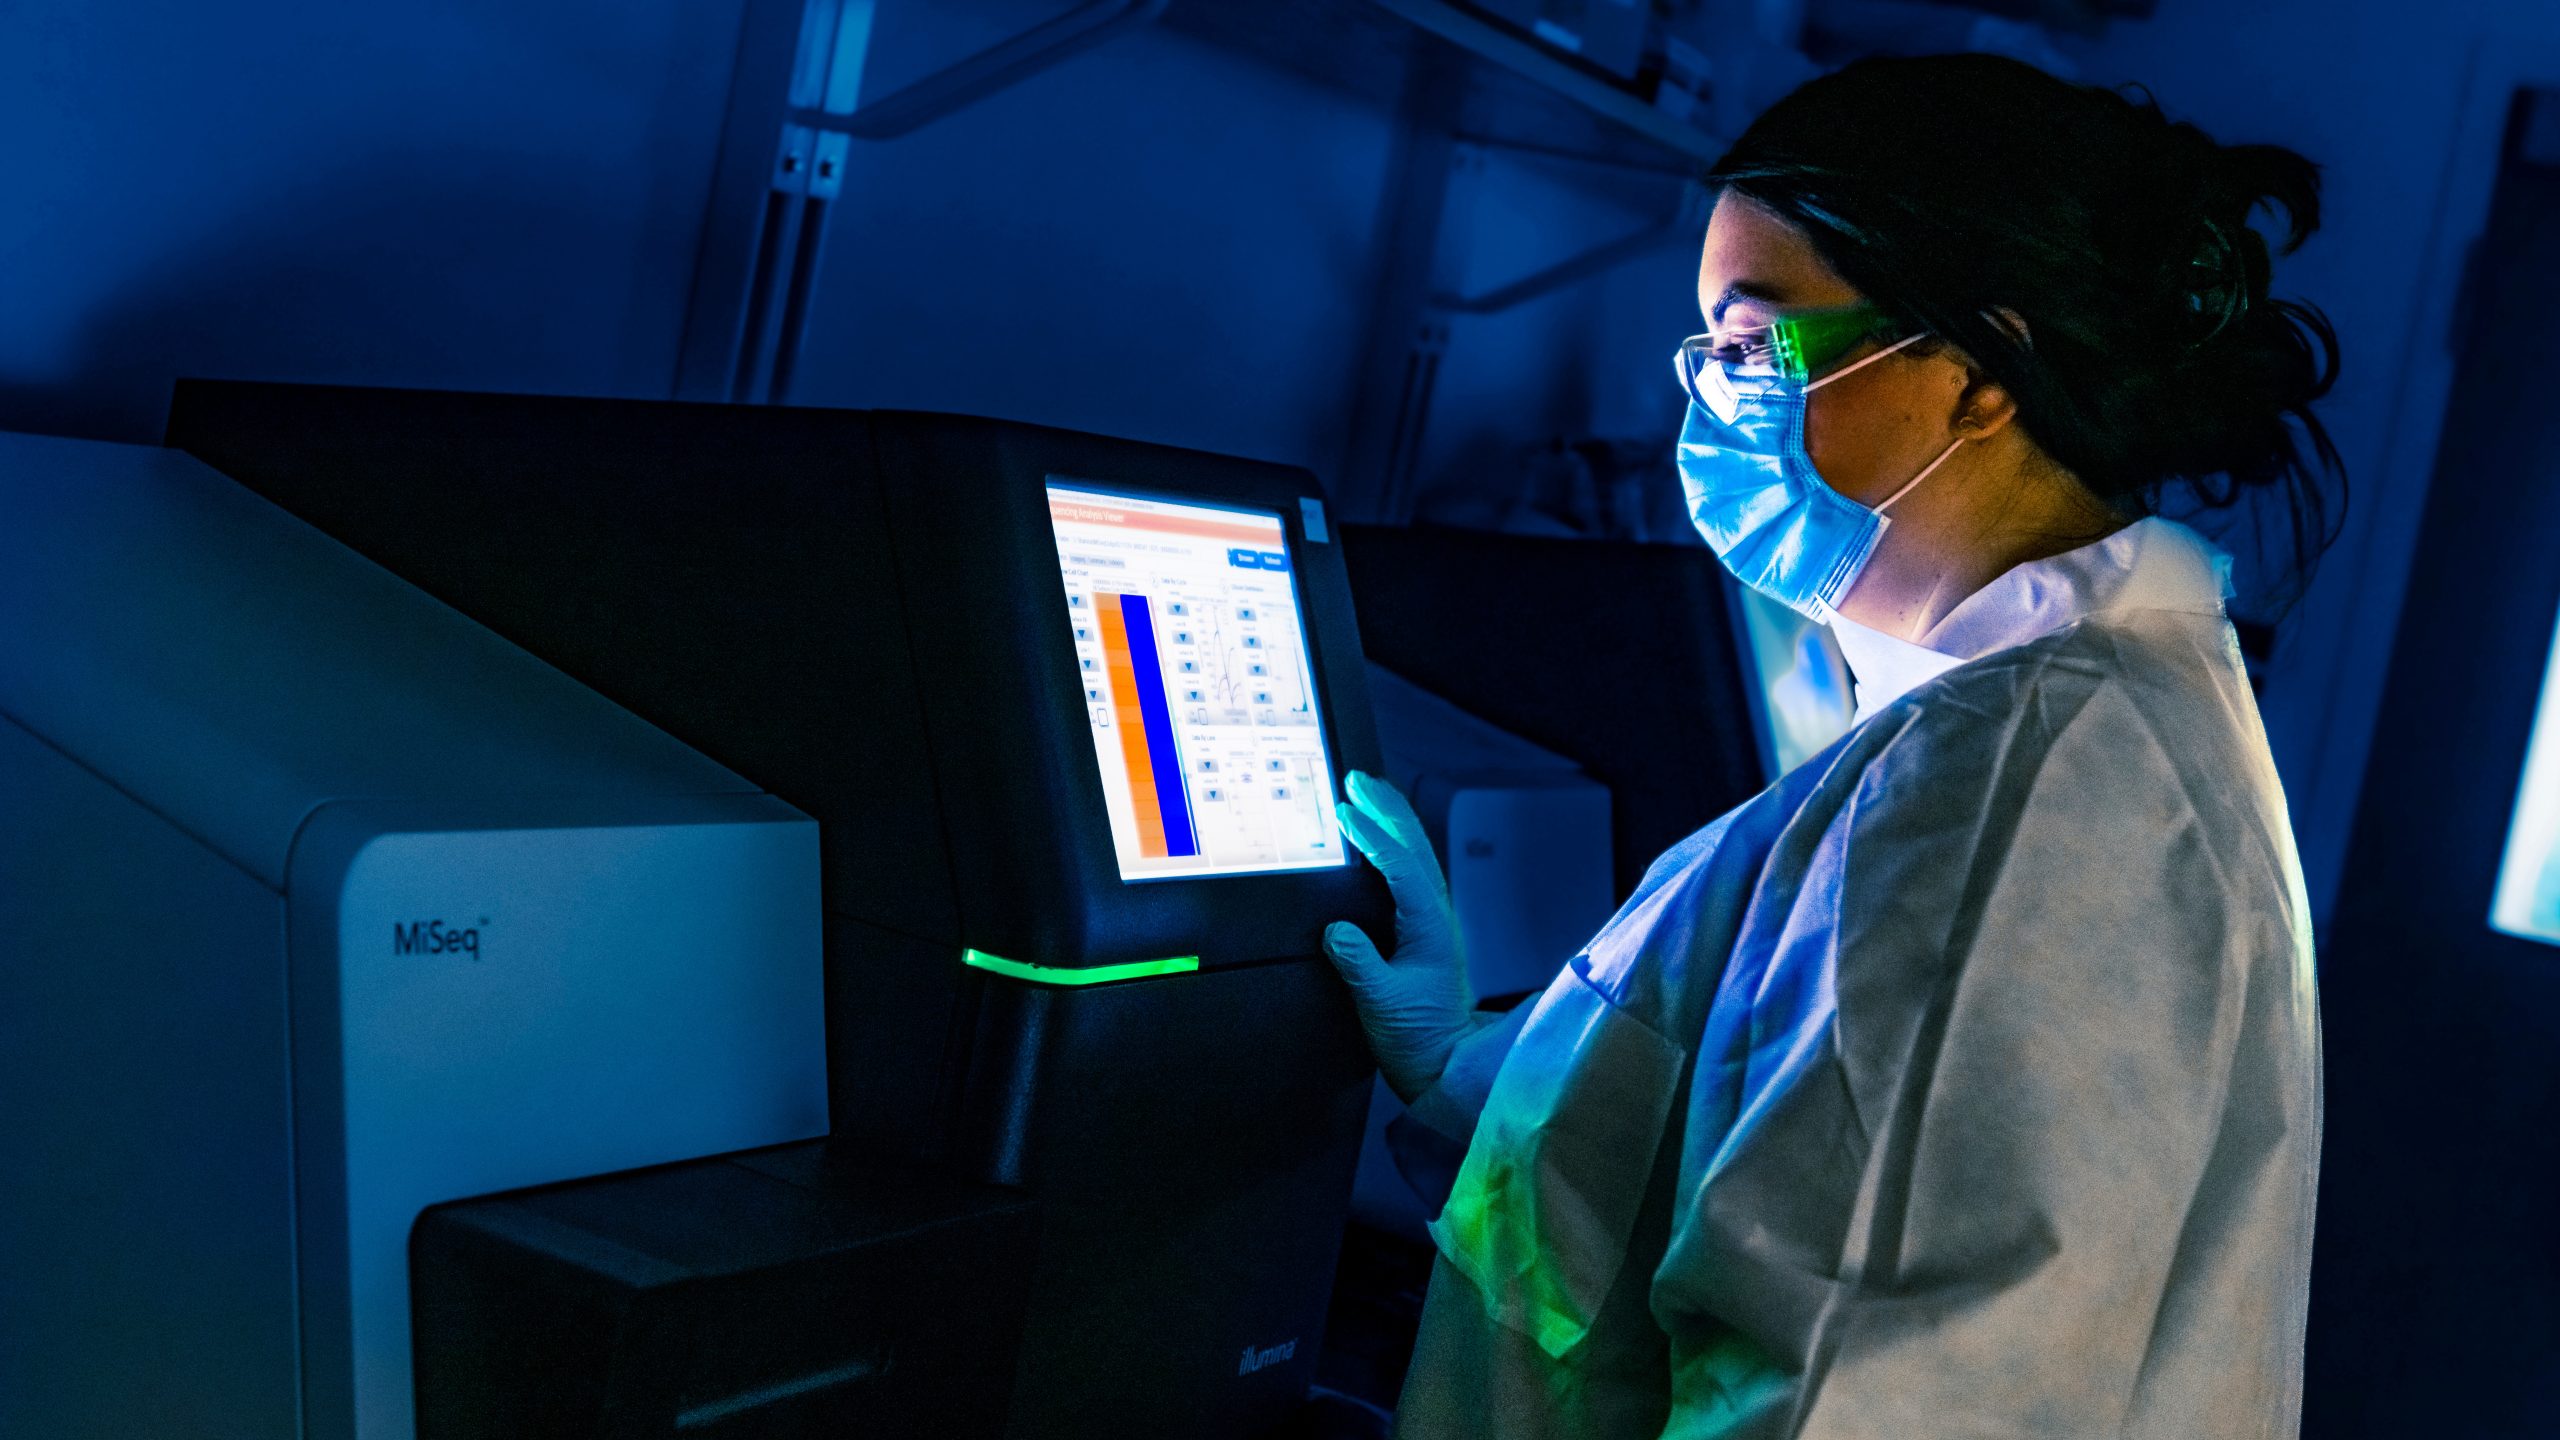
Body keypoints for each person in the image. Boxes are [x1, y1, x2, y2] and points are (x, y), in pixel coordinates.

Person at [1323, 53, 2336, 1438]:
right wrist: (1467, 1069)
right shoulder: (2021, 726)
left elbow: (1862, 1386)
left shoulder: (2023, 794)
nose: (1705, 402)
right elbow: (1769, 1168)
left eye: (1751, 344)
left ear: (1976, 373)